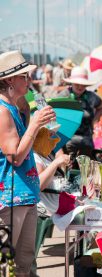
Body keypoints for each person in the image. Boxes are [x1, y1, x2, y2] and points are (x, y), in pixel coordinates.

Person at [0, 50, 56, 276]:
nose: (29, 80)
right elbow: (14, 157)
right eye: (24, 76)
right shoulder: (3, 111)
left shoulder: (13, 108)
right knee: (6, 267)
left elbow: (21, 150)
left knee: (24, 265)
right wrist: (33, 125)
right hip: (10, 200)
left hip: (24, 196)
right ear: (10, 80)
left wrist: (40, 136)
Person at [63, 66, 102, 159]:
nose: (80, 87)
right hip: (68, 141)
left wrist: (94, 120)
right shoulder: (64, 95)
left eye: (82, 84)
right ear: (72, 83)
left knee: (85, 169)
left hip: (87, 141)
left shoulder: (91, 97)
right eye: (77, 84)